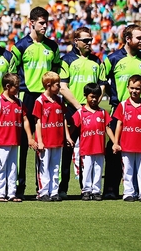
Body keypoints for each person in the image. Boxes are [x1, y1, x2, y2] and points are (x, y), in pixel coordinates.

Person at [99, 23, 141, 200]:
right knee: (114, 150)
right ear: (128, 39)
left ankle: (139, 190)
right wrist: (115, 97)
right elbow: (102, 82)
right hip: (119, 112)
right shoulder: (112, 59)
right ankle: (111, 189)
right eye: (138, 38)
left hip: (140, 114)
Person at [12, 6, 61, 200]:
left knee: (45, 143)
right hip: (27, 97)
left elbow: (57, 70)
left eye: (46, 23)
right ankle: (19, 186)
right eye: (41, 23)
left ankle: (44, 188)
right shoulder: (20, 46)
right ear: (31, 23)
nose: (45, 26)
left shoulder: (53, 47)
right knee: (23, 143)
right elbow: (12, 73)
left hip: (47, 99)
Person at [58, 26, 101, 199]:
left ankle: (87, 188)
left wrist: (92, 106)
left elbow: (102, 86)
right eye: (85, 40)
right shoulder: (67, 60)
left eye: (90, 40)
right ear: (76, 42)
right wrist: (78, 107)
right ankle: (63, 188)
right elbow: (62, 86)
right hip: (72, 109)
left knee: (88, 151)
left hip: (91, 111)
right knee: (67, 150)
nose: (89, 43)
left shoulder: (97, 61)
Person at [111, 75, 141, 202]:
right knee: (127, 170)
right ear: (127, 88)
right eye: (132, 88)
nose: (134, 91)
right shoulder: (123, 105)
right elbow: (119, 124)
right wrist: (116, 142)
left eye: (137, 88)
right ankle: (128, 192)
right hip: (126, 145)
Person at [31, 71, 73, 202]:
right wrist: (40, 141)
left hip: (58, 140)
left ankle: (54, 191)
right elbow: (38, 122)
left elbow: (63, 119)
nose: (59, 87)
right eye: (57, 84)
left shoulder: (59, 100)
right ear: (49, 85)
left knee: (55, 167)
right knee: (44, 167)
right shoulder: (40, 101)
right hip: (45, 140)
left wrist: (67, 136)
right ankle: (43, 192)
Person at [70, 83, 116, 201]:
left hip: (99, 148)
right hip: (86, 148)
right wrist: (68, 138)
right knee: (86, 169)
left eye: (96, 97)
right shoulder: (81, 112)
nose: (94, 99)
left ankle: (96, 191)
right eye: (91, 96)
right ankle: (86, 190)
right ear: (85, 96)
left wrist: (115, 142)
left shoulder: (103, 112)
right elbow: (73, 126)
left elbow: (107, 128)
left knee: (98, 170)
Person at [0, 73, 29, 202]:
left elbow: (25, 120)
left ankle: (11, 193)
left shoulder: (19, 103)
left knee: (13, 168)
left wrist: (30, 137)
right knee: (1, 167)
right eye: (16, 86)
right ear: (7, 86)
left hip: (15, 141)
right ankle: (0, 193)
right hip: (2, 141)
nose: (18, 89)